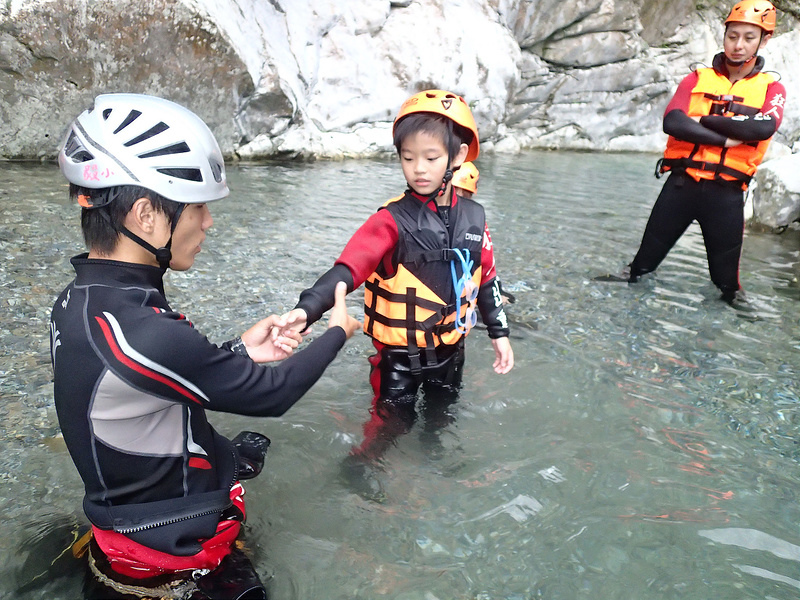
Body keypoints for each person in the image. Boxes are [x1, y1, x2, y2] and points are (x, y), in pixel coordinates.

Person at [50, 93, 360, 599]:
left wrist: (239, 351)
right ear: (147, 215)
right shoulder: (141, 328)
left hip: (127, 523)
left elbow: (138, 385)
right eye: (198, 208)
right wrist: (336, 334)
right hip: (172, 555)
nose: (208, 224)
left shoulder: (80, 302)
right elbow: (272, 395)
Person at [276, 89, 514, 496]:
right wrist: (308, 309)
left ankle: (434, 454)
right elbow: (347, 268)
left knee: (443, 412)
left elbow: (484, 277)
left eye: (431, 157)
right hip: (399, 357)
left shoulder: (475, 216)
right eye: (408, 158)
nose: (418, 169)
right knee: (392, 421)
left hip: (451, 350)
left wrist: (499, 333)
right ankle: (361, 465)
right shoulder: (390, 221)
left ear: (457, 157)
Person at [605, 0, 786, 306]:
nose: (738, 45)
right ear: (724, 34)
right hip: (681, 185)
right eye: (732, 36)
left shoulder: (772, 89)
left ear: (764, 40)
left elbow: (762, 128)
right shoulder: (696, 79)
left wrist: (703, 120)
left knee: (728, 287)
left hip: (725, 194)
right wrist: (728, 137)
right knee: (637, 269)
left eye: (748, 37)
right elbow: (673, 122)